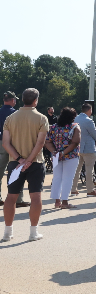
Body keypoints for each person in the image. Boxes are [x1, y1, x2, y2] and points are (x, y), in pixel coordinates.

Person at [2, 88, 49, 242]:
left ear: (22, 99)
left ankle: (8, 232)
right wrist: (29, 159)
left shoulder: (10, 118)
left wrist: (19, 158)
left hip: (15, 163)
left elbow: (5, 143)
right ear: (36, 100)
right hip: (35, 162)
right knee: (35, 197)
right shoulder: (42, 118)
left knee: (11, 197)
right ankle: (33, 232)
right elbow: (40, 143)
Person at [44, 107, 81, 209]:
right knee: (67, 178)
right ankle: (65, 202)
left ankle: (57, 201)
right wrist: (63, 152)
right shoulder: (75, 127)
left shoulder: (54, 127)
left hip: (56, 156)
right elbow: (75, 142)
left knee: (57, 178)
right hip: (71, 156)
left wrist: (54, 152)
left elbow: (47, 141)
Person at [71, 102, 96, 196]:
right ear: (89, 110)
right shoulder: (88, 121)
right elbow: (94, 134)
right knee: (89, 169)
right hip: (88, 148)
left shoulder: (75, 118)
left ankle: (73, 189)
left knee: (76, 169)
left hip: (77, 147)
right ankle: (90, 190)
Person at [0, 91, 19, 207]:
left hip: (0, 142)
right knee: (16, 171)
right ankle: (18, 198)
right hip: (13, 143)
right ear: (12, 100)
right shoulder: (15, 114)